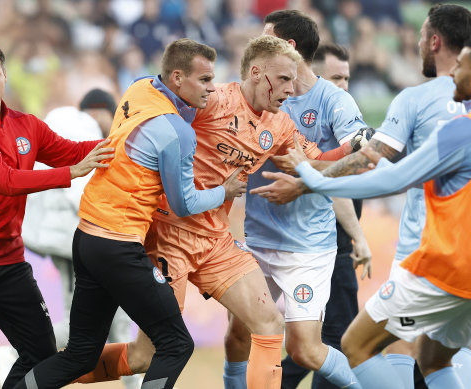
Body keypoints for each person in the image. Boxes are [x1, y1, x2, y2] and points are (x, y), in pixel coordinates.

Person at [77, 34, 368, 389]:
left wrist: (352, 148)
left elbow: (314, 161)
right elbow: (159, 97)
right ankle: (57, 372)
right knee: (145, 356)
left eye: (294, 80)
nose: (291, 90)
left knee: (268, 324)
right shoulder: (212, 101)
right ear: (257, 73)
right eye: (284, 79)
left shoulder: (280, 126)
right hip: (170, 238)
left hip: (216, 241)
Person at [251, 35, 471, 389]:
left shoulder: (465, 129)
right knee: (436, 358)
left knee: (355, 345)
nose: (453, 74)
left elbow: (392, 179)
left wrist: (310, 178)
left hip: (445, 268)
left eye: (461, 69)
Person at [13, 38, 247, 389]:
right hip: (119, 246)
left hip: (87, 237)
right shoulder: (177, 133)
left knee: (80, 354)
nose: (211, 89)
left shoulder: (138, 89)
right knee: (177, 344)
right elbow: (183, 205)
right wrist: (223, 192)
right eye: (204, 80)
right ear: (178, 78)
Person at [0, 40, 114, 389]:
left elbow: (70, 151)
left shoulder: (26, 125)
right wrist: (71, 173)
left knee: (42, 356)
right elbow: (4, 181)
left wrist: (121, 143)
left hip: (9, 265)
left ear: (5, 76)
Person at [222, 11, 371, 389]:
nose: (256, 42)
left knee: (305, 350)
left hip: (307, 247)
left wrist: (303, 180)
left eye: (265, 36)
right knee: (239, 336)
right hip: (256, 241)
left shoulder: (334, 102)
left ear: (287, 47)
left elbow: (360, 159)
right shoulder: (256, 90)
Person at [0, 89, 141, 389]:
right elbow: (79, 192)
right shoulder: (85, 133)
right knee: (87, 323)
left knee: (112, 318)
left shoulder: (63, 126)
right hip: (82, 238)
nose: (101, 121)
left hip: (68, 238)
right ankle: (10, 355)